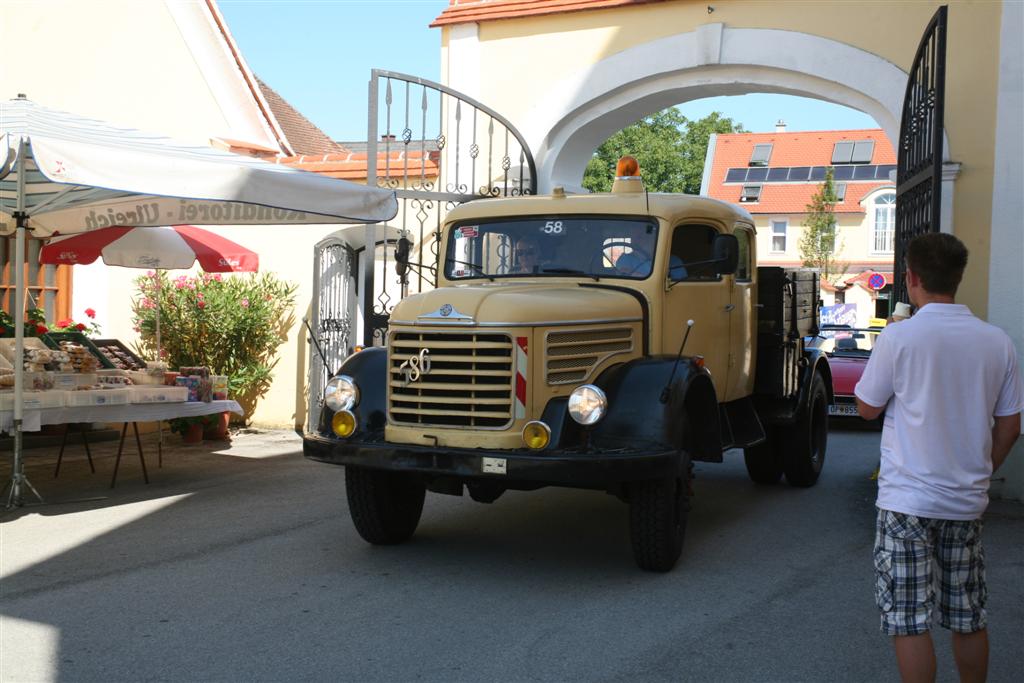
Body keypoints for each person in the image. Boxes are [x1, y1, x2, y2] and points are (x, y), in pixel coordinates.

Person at [854, 233, 1022, 683]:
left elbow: (867, 407)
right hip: (965, 501)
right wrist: (984, 470)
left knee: (908, 619)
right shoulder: (996, 341)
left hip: (906, 501)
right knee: (968, 613)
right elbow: (1011, 425)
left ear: (911, 279)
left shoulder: (900, 337)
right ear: (959, 277)